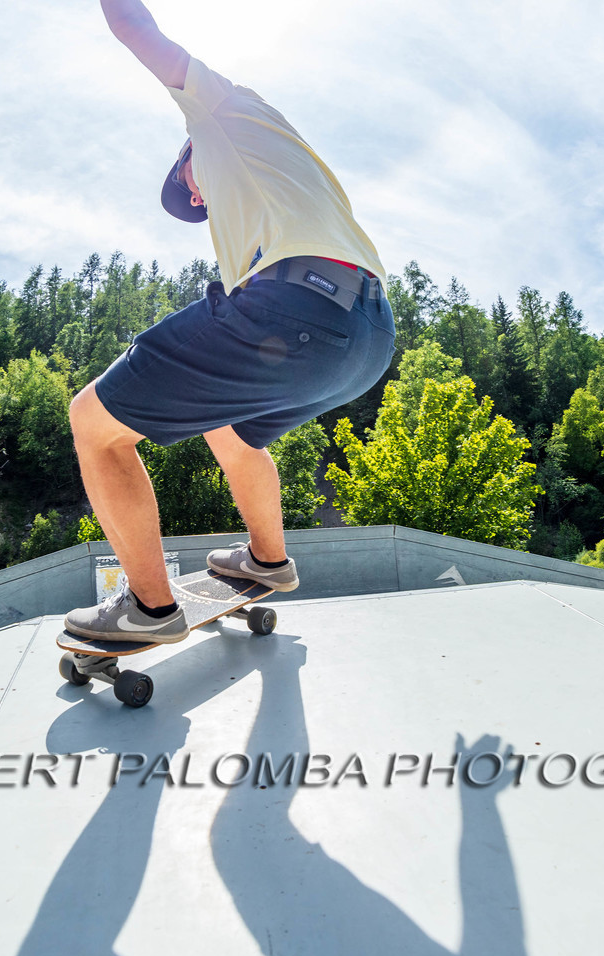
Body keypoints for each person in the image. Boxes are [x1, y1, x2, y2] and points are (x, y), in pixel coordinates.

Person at [63, 0, 395, 644]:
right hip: (368, 339)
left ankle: (149, 609)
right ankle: (269, 560)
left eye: (183, 178)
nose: (192, 196)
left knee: (93, 424)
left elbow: (132, 26)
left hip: (302, 312)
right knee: (232, 431)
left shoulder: (218, 111)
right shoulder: (284, 169)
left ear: (193, 145)